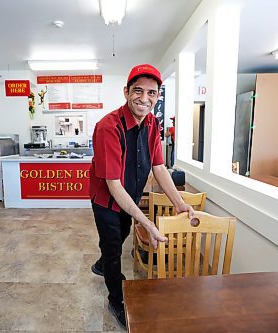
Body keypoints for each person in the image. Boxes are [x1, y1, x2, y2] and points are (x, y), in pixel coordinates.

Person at [89, 64, 195, 329]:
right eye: (138, 91)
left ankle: (103, 260)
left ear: (158, 96)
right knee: (114, 247)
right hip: (107, 200)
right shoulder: (108, 127)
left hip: (131, 196)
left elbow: (159, 167)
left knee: (122, 234)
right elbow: (113, 184)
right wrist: (146, 222)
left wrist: (180, 204)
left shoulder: (152, 124)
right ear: (126, 92)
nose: (144, 98)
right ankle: (116, 298)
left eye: (151, 92)